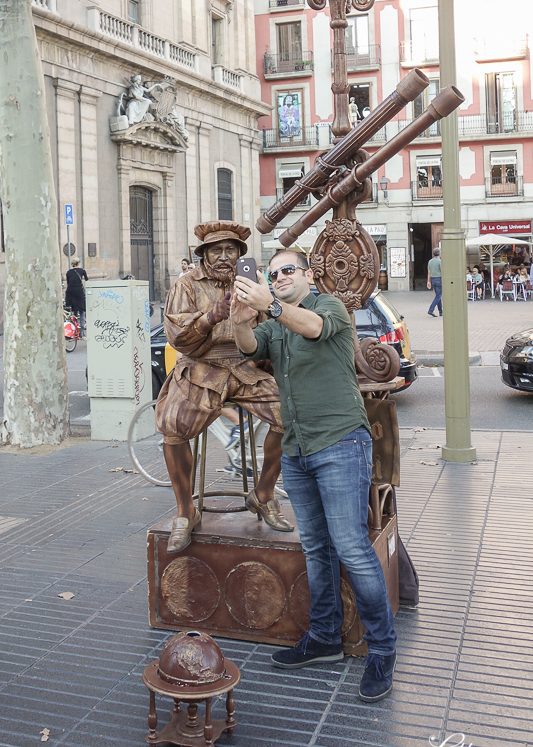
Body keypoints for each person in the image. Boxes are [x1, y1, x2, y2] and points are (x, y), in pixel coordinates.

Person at [230, 249, 397, 704]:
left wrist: (269, 303)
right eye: (272, 273)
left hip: (342, 442)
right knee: (316, 547)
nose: (279, 277)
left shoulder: (328, 308)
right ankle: (324, 638)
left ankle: (382, 648)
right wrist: (241, 316)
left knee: (350, 546)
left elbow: (314, 329)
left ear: (307, 275)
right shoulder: (275, 322)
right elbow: (249, 345)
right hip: (298, 448)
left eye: (287, 270)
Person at [155, 220, 293, 554]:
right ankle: (186, 511)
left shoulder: (251, 283)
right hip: (201, 367)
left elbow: (269, 329)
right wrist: (211, 316)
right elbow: (178, 337)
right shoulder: (185, 285)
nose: (224, 257)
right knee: (173, 424)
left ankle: (263, 494)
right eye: (216, 250)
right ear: (201, 254)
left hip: (245, 366)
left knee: (288, 416)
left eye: (231, 250)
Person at [64, 257, 88, 336]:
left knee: (74, 312)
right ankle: (81, 332)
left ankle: (74, 330)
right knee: (81, 312)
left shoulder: (68, 272)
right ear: (78, 264)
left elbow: (68, 282)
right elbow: (87, 280)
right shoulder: (82, 271)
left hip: (70, 293)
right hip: (78, 292)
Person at [427, 248, 442, 317]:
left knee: (438, 295)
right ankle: (431, 309)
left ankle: (441, 311)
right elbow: (442, 271)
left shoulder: (430, 261)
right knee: (438, 296)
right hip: (439, 279)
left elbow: (429, 273)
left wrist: (428, 281)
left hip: (433, 279)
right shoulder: (440, 261)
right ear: (439, 254)